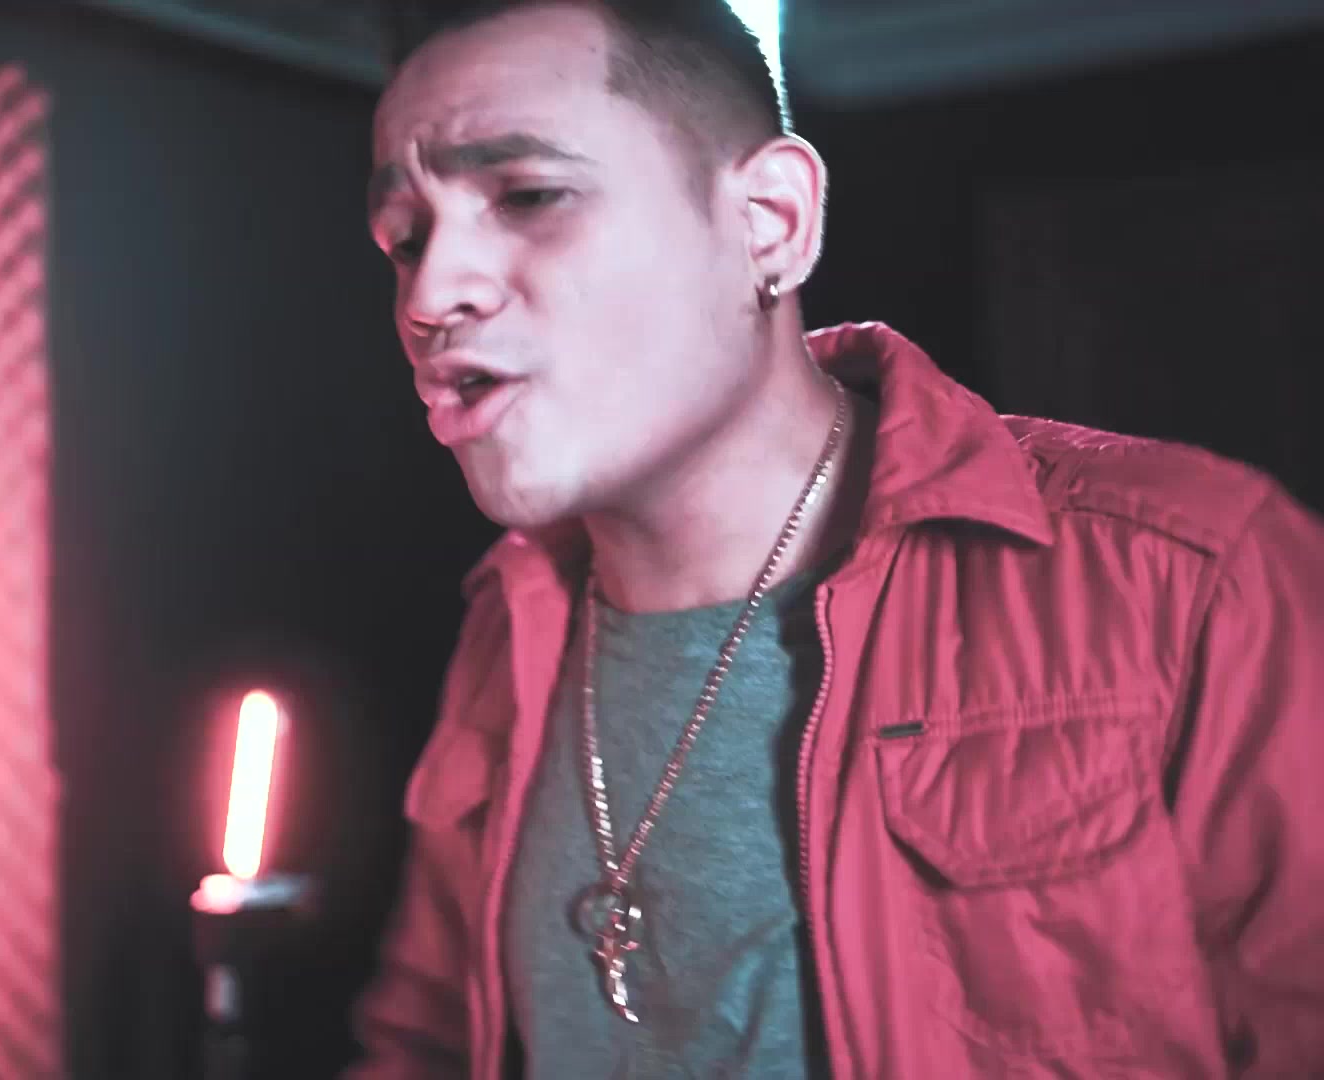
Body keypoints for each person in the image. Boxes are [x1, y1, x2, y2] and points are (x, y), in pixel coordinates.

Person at [343, 1, 1324, 1077]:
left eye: (530, 196)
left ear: (770, 221)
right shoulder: (511, 626)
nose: (431, 294)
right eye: (406, 240)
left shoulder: (1193, 576)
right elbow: (424, 1042)